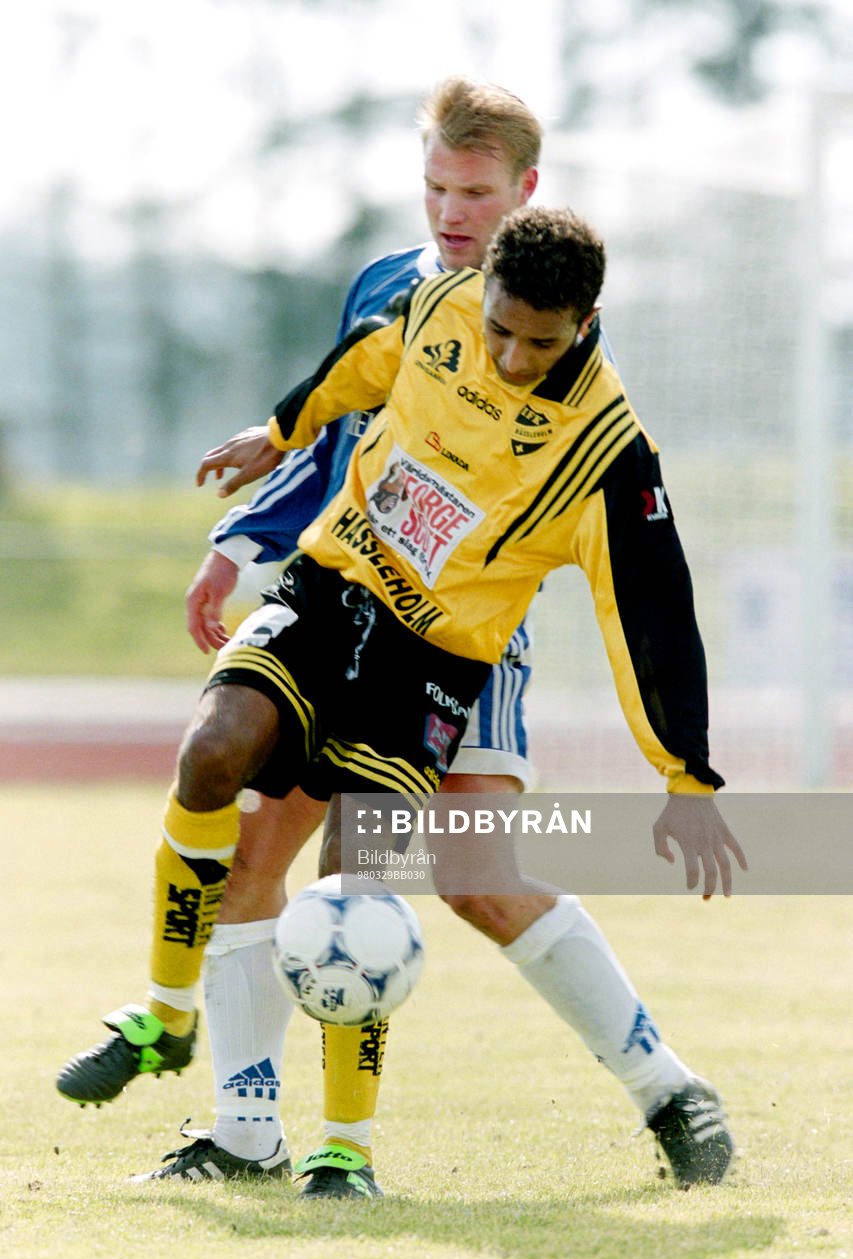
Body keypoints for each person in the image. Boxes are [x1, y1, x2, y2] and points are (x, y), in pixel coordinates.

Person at [61, 201, 745, 1198]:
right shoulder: (443, 307)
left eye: (538, 342)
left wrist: (686, 774)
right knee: (213, 753)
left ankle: (345, 1148)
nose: (509, 355)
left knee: (361, 881)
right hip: (328, 587)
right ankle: (174, 1024)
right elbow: (364, 362)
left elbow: (650, 615)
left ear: (587, 324)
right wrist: (284, 426)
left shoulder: (607, 452)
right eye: (501, 328)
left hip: (430, 663)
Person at [57, 78, 550, 1176]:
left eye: (472, 190)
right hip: (331, 606)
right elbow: (328, 441)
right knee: (223, 781)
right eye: (433, 185)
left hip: (443, 642)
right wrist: (236, 542)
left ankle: (347, 1145)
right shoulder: (383, 286)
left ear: (523, 192)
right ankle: (214, 1083)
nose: (447, 210)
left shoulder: (545, 328)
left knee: (387, 878)